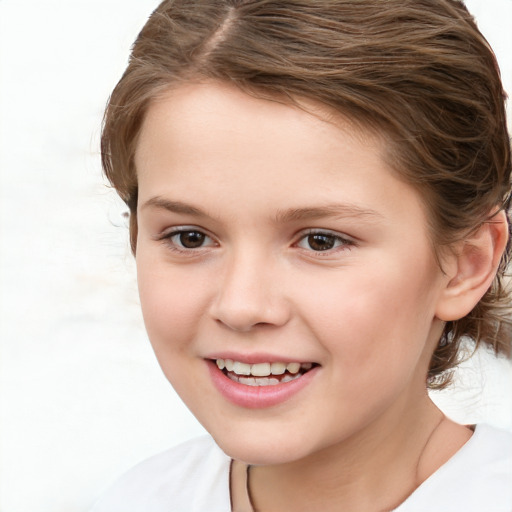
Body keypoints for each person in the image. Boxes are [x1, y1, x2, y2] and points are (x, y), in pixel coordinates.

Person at [91, 1, 512, 510]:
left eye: (321, 241)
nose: (242, 306)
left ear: (465, 265)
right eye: (190, 237)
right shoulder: (134, 500)